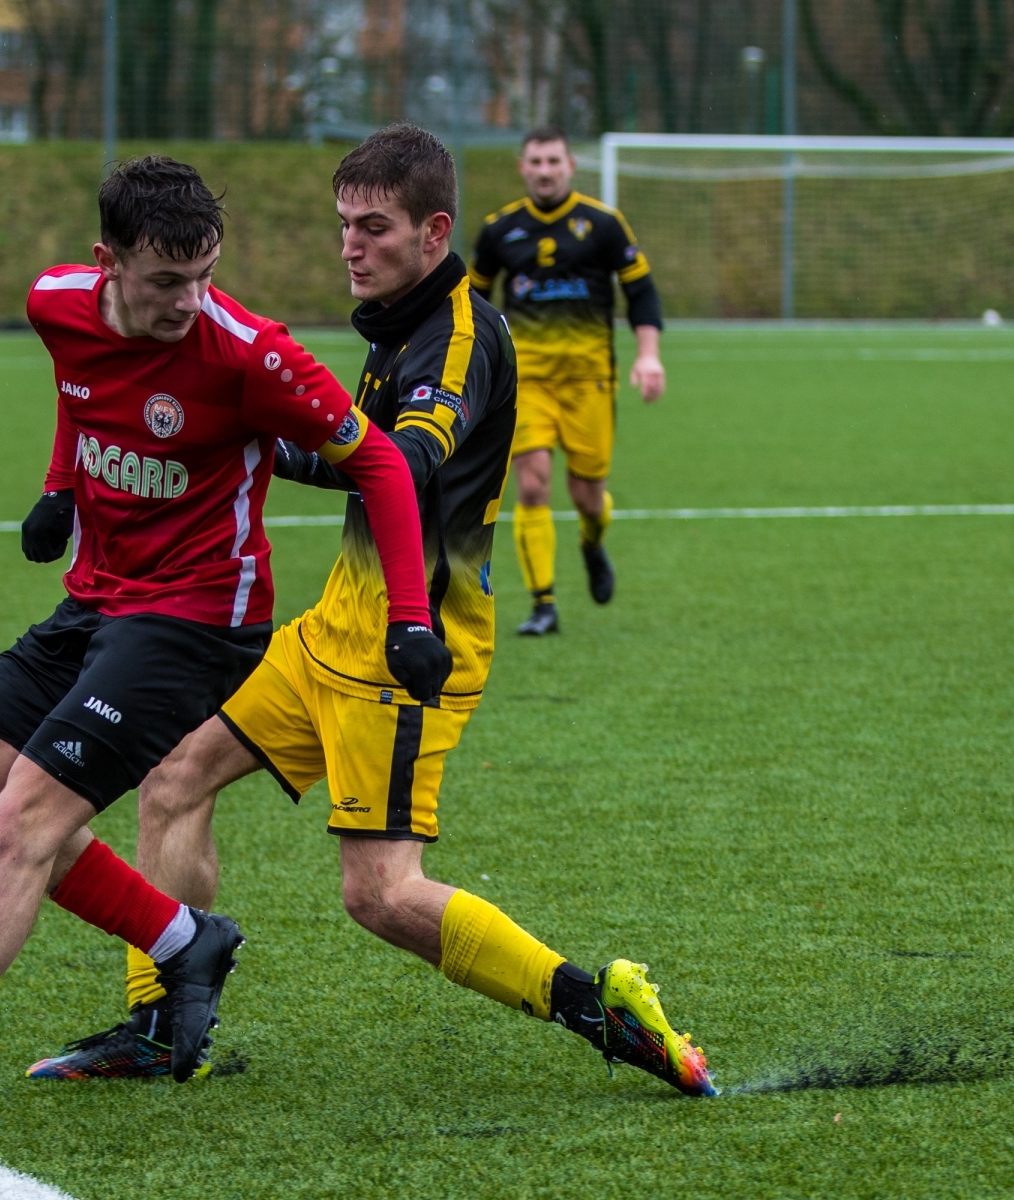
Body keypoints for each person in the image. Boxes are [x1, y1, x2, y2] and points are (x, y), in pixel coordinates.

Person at [0, 155, 446, 1150]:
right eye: (165, 281)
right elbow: (83, 387)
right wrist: (60, 486)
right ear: (106, 262)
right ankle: (182, 940)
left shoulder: (252, 353)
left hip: (197, 622)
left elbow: (378, 460)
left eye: (205, 276)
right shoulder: (56, 304)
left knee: (22, 822)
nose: (189, 302)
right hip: (97, 599)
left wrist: (410, 618)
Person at [36, 124, 717, 1099]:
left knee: (381, 894)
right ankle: (156, 1025)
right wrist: (270, 438)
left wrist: (272, 425)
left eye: (375, 228)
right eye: (344, 224)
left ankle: (594, 1001)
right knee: (174, 778)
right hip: (334, 627)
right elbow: (361, 454)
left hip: (410, 644)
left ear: (435, 231)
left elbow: (401, 460)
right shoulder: (398, 319)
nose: (351, 246)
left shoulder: (461, 337)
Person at [469, 126, 667, 637]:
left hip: (589, 381)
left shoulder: (603, 225)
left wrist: (648, 357)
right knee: (532, 483)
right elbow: (472, 303)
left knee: (587, 497)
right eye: (536, 161)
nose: (545, 171)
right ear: (522, 167)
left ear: (570, 166)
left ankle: (592, 541)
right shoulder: (499, 230)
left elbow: (641, 291)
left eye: (554, 161)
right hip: (527, 381)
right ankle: (543, 604)